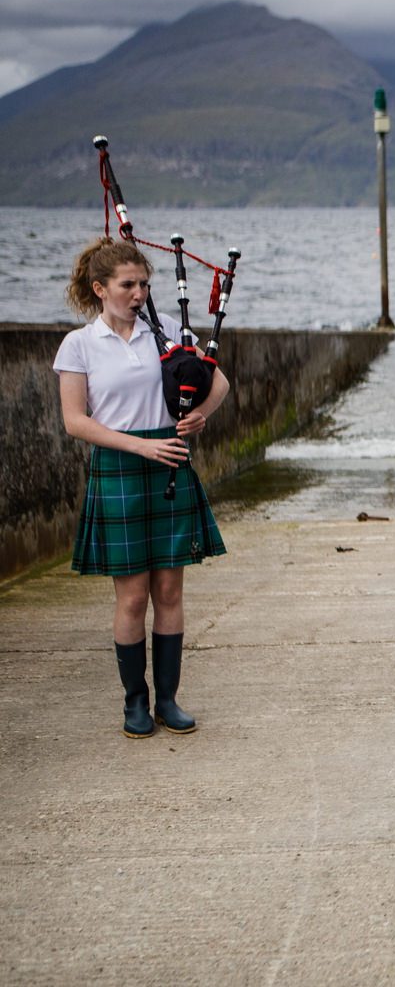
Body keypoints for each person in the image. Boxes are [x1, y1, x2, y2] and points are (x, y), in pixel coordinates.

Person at [54, 237, 231, 739]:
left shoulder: (167, 330)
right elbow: (75, 422)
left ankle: (169, 701)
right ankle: (136, 702)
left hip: (170, 464)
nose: (138, 293)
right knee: (132, 598)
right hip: (121, 468)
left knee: (170, 590)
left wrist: (199, 416)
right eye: (128, 285)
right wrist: (140, 447)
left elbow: (218, 382)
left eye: (144, 285)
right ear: (100, 288)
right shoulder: (80, 345)